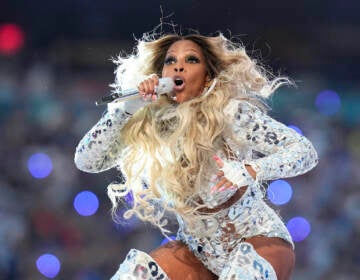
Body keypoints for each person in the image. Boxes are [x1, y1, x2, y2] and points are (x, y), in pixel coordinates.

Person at [74, 31, 318, 280]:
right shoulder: (149, 124)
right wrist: (125, 110)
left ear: (207, 77)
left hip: (257, 241)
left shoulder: (231, 114)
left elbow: (305, 152)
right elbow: (86, 161)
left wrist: (252, 169)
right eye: (170, 61)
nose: (178, 65)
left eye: (191, 60)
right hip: (197, 253)